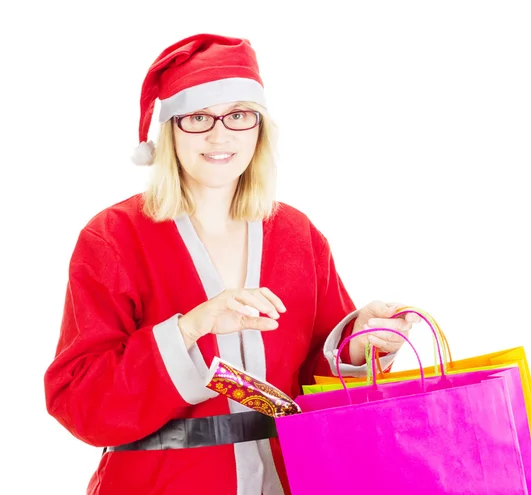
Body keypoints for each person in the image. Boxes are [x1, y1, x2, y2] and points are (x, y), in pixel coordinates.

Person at [43, 33, 418, 495]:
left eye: (239, 115)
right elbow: (81, 405)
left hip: (292, 480)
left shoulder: (297, 235)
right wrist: (190, 328)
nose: (220, 136)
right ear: (171, 130)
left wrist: (361, 343)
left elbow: (315, 390)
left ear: (259, 128)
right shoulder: (114, 237)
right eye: (199, 117)